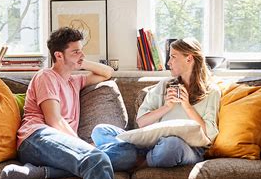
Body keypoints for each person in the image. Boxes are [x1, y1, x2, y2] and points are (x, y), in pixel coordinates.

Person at [0, 27, 137, 179]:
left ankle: (43, 172)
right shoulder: (46, 76)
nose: (81, 55)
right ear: (58, 55)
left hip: (59, 143)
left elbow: (108, 73)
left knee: (128, 155)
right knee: (96, 160)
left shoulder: (74, 81)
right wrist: (83, 146)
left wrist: (80, 61)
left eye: (81, 51)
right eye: (75, 52)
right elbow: (54, 120)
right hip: (35, 138)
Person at [91, 37, 221, 168]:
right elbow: (141, 122)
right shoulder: (164, 85)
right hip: (151, 144)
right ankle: (134, 156)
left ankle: (130, 160)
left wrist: (187, 106)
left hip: (187, 148)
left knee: (171, 145)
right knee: (101, 130)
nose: (168, 63)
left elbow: (209, 135)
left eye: (173, 57)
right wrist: (166, 107)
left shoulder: (211, 92)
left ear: (189, 58)